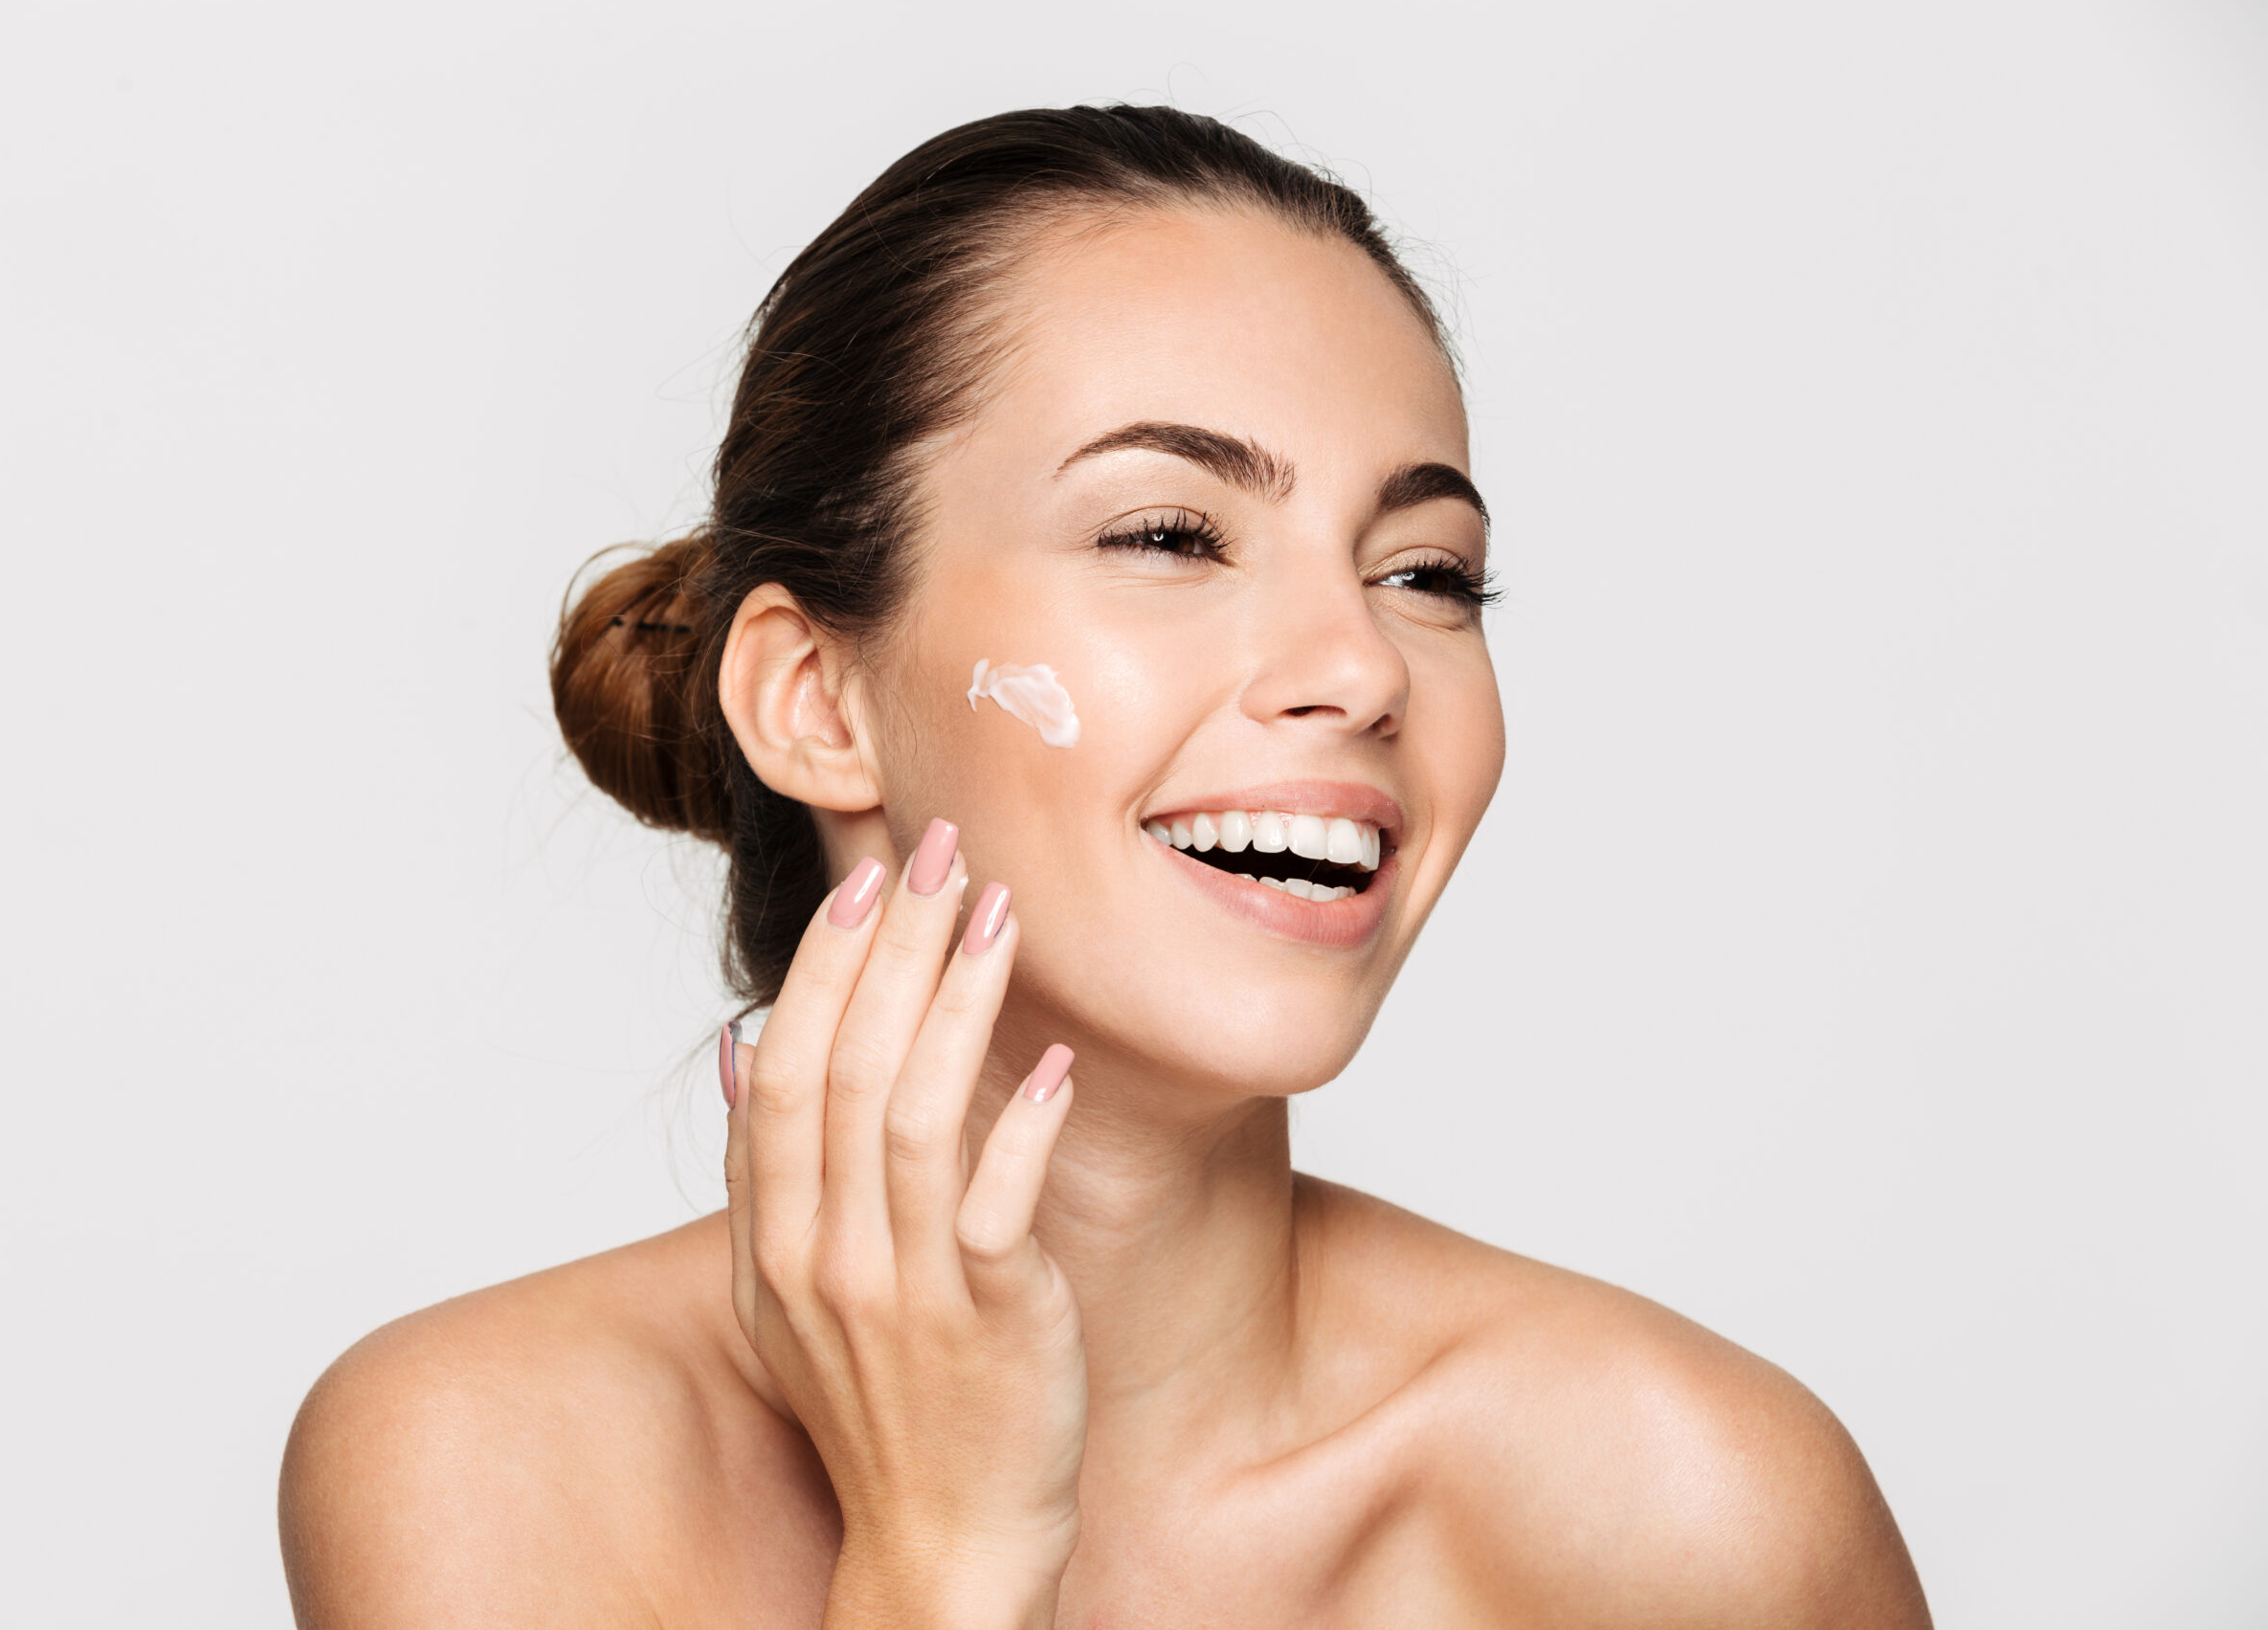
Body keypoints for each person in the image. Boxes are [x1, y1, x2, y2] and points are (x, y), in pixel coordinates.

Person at [278, 104, 1931, 1628]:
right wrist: (946, 1563)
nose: (1360, 668)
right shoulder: (488, 1465)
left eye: (1428, 572)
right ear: (815, 698)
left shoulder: (1694, 1514)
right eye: (1170, 535)